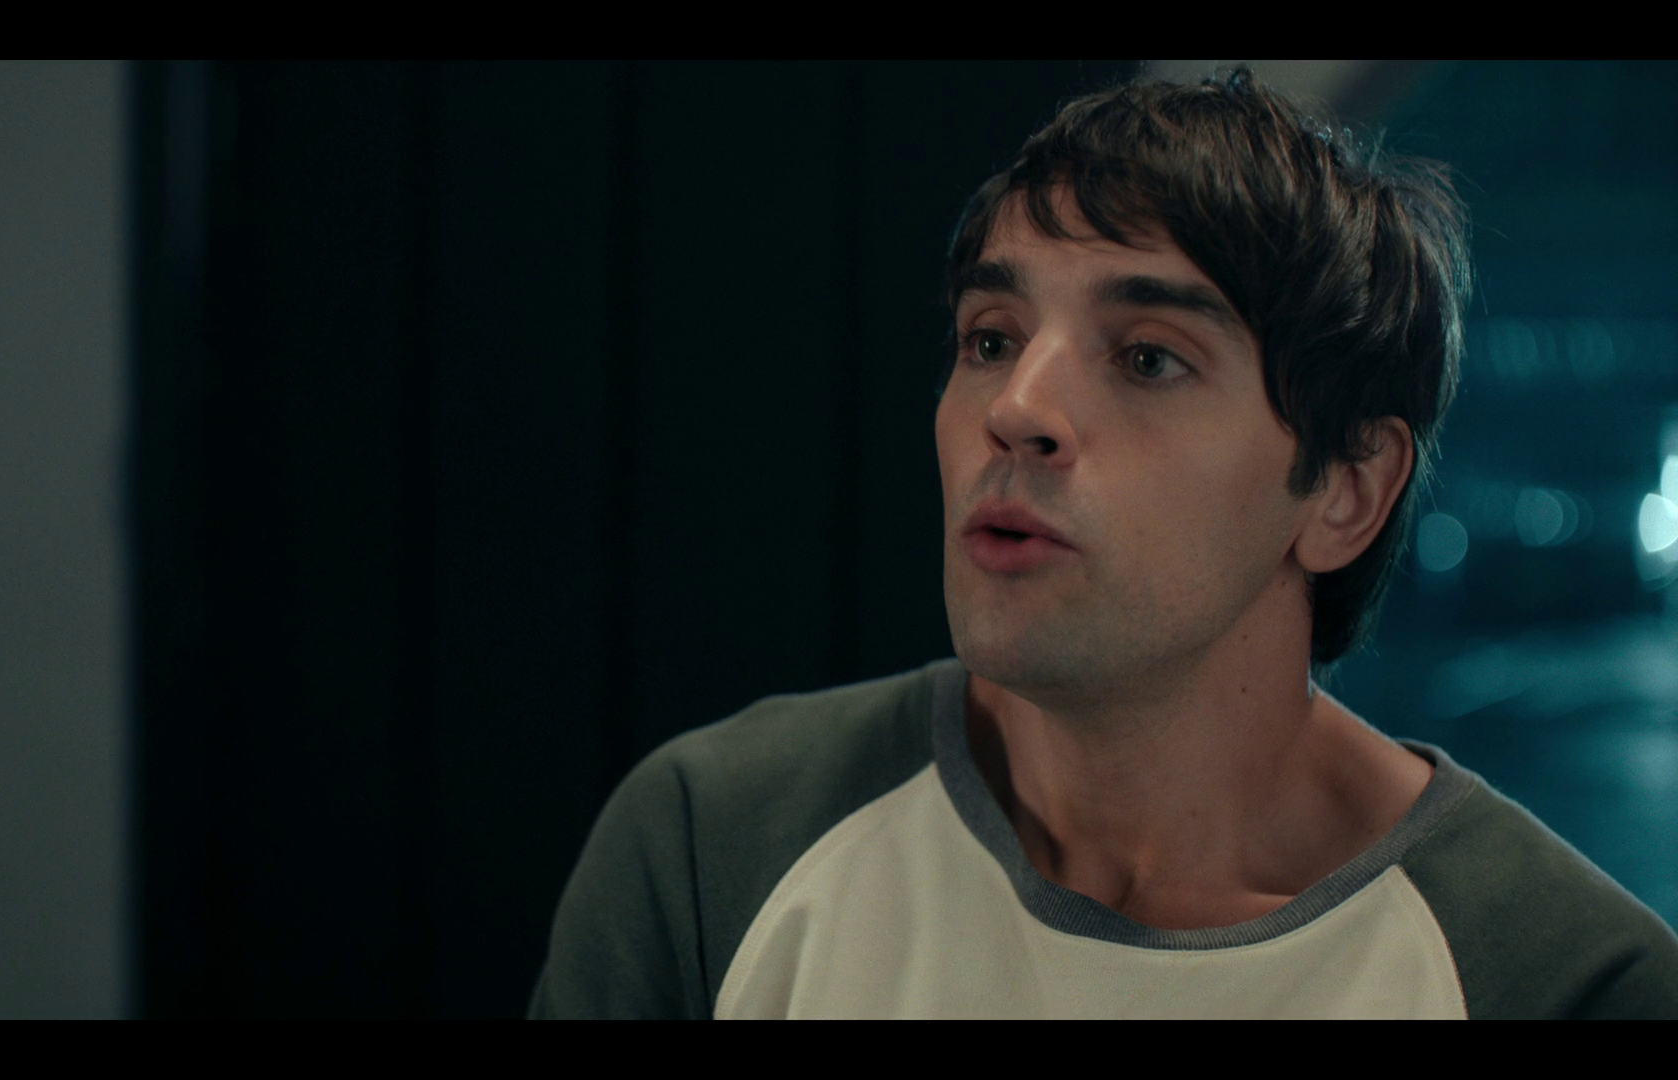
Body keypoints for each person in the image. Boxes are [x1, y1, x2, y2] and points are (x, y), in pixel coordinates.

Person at [530, 71, 1678, 1019]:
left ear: (1346, 489)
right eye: (991, 338)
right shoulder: (720, 843)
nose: (1016, 407)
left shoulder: (1556, 978)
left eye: (1147, 358)